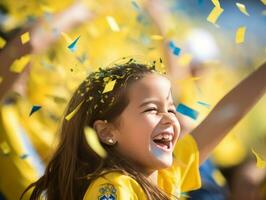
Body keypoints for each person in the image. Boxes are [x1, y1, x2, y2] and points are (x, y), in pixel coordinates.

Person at [20, 58, 266, 199]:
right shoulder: (114, 187)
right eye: (151, 109)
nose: (170, 119)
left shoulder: (167, 179)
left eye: (171, 109)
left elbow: (224, 117)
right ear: (107, 132)